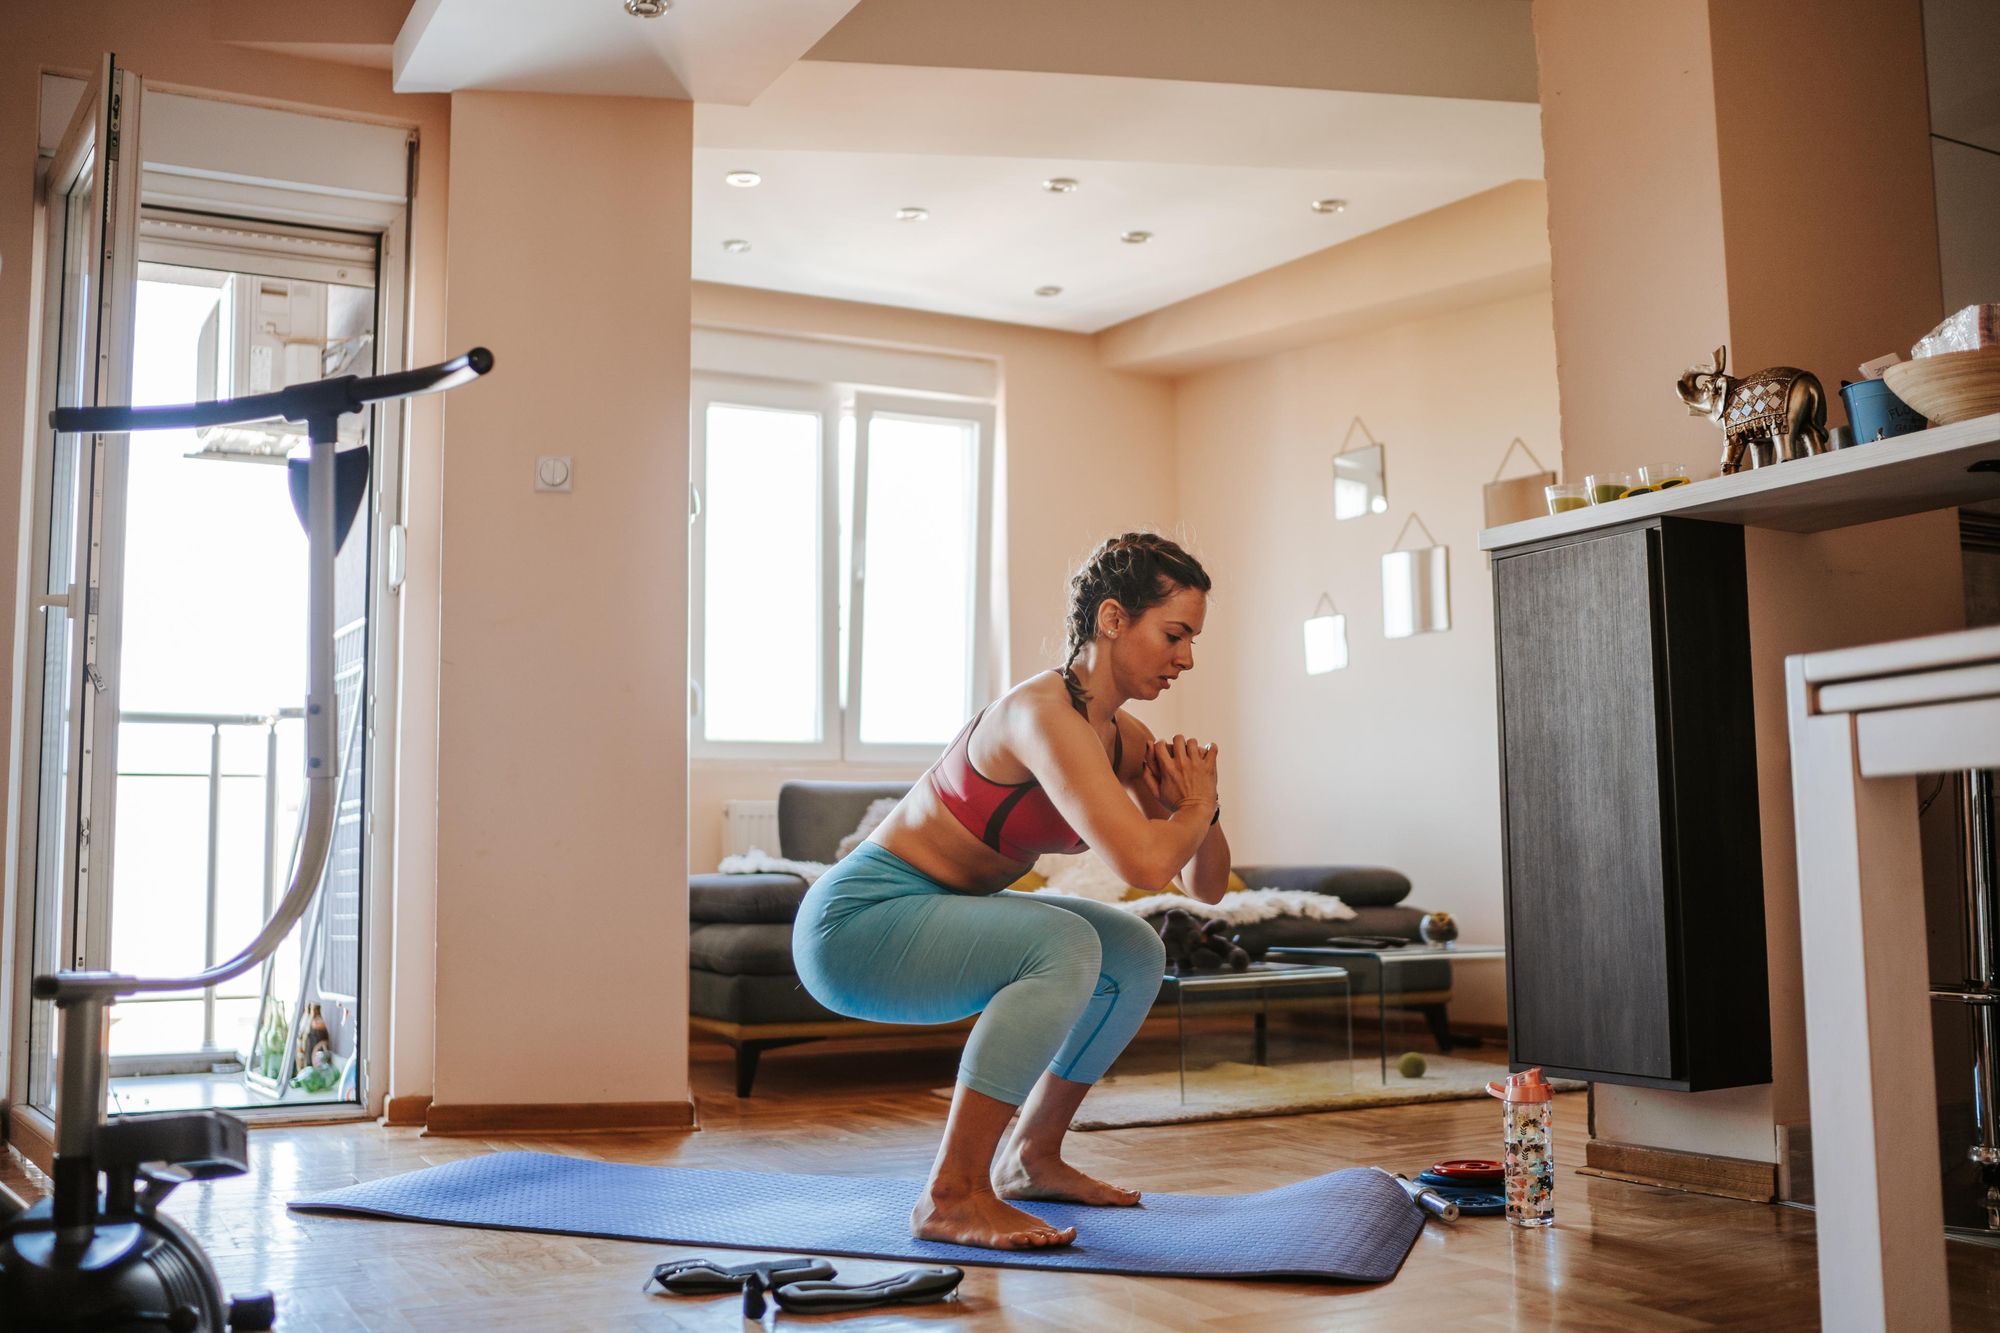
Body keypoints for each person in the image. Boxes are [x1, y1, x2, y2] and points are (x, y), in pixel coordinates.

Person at [792, 532, 1228, 1251]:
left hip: (943, 911)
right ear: (1114, 618)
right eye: (1174, 634)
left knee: (1134, 948)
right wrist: (1187, 811)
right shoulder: (1042, 714)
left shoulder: (1122, 738)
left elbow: (1202, 885)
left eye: (1191, 640)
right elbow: (1147, 864)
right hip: (854, 925)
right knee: (1064, 940)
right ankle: (953, 1192)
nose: (1186, 658)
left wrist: (1202, 806)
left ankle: (1033, 1155)